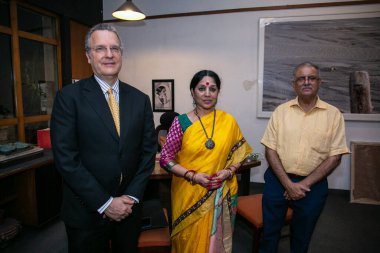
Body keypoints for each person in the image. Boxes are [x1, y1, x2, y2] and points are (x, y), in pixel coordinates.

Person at [50, 23, 157, 253]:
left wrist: (130, 196)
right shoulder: (68, 98)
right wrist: (106, 203)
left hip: (129, 209)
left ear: (121, 54)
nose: (109, 54)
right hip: (86, 211)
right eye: (100, 48)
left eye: (115, 48)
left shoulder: (140, 99)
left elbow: (148, 153)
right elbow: (66, 159)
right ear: (88, 56)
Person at [260, 62, 349, 253]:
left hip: (313, 186)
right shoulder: (280, 112)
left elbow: (335, 156)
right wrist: (288, 184)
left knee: (302, 236)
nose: (306, 82)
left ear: (319, 82)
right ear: (294, 84)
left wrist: (303, 185)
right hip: (278, 181)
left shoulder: (333, 115)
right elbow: (270, 150)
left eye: (312, 78)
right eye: (301, 78)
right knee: (269, 233)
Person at [159, 70, 253, 252]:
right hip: (189, 192)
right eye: (201, 88)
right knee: (189, 241)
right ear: (193, 92)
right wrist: (192, 176)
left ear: (218, 92)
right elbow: (165, 159)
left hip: (220, 191)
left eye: (213, 89)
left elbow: (241, 154)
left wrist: (228, 171)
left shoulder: (229, 121)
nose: (207, 94)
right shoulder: (182, 122)